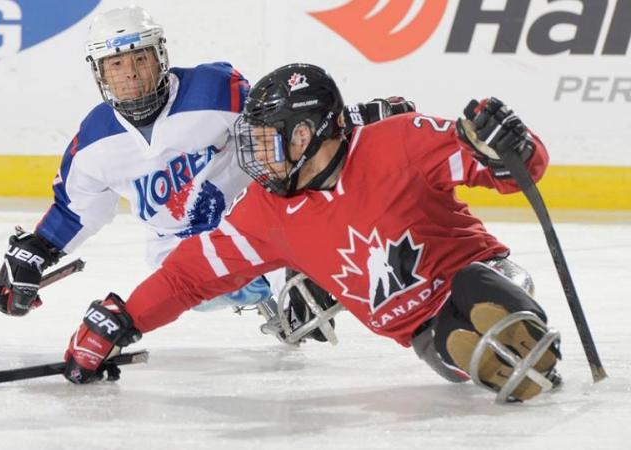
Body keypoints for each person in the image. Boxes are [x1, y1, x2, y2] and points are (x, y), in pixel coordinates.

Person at [60, 63, 563, 403]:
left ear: (306, 134)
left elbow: (515, 171)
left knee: (477, 293)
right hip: (423, 332)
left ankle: (518, 323)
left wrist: (509, 145)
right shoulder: (264, 212)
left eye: (266, 141)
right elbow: (187, 278)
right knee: (457, 346)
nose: (255, 156)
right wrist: (123, 319)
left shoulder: (398, 141)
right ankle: (499, 344)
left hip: (477, 272)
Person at [0, 6, 415, 345]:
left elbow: (286, 124)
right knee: (193, 283)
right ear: (100, 73)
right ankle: (295, 270)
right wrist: (35, 253)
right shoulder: (93, 143)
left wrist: (354, 118)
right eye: (116, 65)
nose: (132, 74)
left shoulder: (212, 90)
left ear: (160, 57)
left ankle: (303, 263)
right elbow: (75, 210)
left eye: (140, 58)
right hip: (175, 255)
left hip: (253, 224)